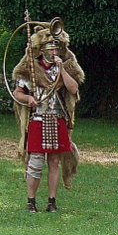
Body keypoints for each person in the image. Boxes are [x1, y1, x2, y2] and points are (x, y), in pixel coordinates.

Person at [12, 21, 84, 213]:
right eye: (51, 49)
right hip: (38, 119)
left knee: (54, 161)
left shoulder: (65, 67)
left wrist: (62, 70)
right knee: (35, 161)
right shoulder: (32, 68)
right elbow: (17, 92)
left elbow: (74, 89)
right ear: (42, 49)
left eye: (57, 49)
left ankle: (52, 201)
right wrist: (28, 97)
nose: (54, 53)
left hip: (57, 118)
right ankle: (31, 201)